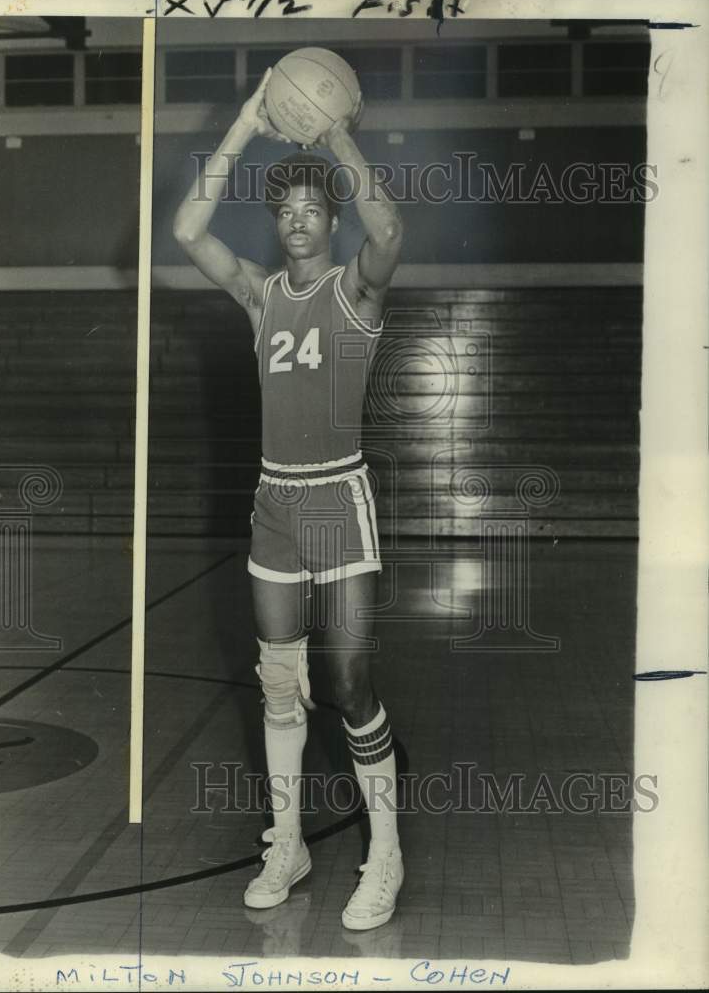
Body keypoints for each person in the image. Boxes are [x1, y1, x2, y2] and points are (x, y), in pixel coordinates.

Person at [173, 68, 403, 931]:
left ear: (329, 220)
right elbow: (188, 227)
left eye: (312, 207)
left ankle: (385, 852)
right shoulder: (260, 296)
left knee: (346, 679)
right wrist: (243, 123)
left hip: (338, 500)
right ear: (276, 224)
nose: (298, 217)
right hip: (275, 502)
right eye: (285, 210)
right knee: (278, 683)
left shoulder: (357, 289)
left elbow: (390, 225)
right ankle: (290, 842)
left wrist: (330, 128)